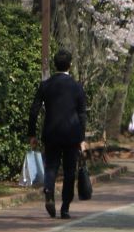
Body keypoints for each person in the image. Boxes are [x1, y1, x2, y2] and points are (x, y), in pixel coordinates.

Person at [27, 49, 88, 219]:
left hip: (51, 132)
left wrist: (31, 133)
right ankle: (65, 207)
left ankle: (49, 192)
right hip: (71, 134)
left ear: (55, 64)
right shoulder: (77, 87)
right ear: (70, 65)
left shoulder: (46, 85)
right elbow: (82, 114)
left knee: (51, 166)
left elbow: (34, 110)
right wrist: (82, 138)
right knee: (69, 171)